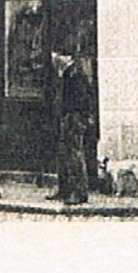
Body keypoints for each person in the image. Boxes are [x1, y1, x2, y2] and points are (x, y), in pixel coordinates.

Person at [46, 44, 96, 206]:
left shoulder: (76, 74)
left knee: (74, 154)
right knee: (63, 154)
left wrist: (77, 117)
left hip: (74, 117)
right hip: (66, 117)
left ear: (66, 57)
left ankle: (79, 192)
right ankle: (65, 189)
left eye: (57, 57)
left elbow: (82, 99)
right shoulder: (65, 74)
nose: (54, 61)